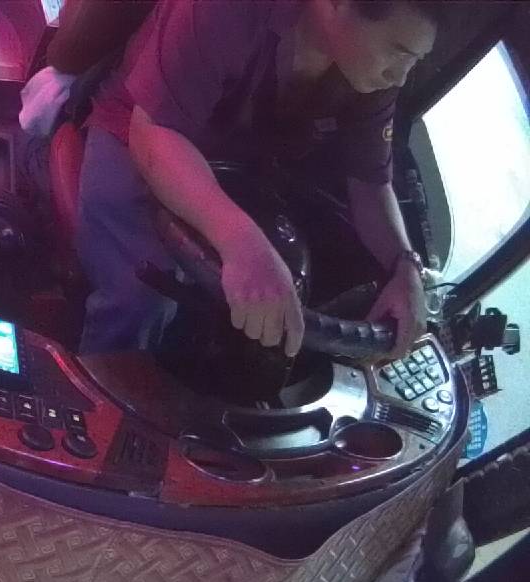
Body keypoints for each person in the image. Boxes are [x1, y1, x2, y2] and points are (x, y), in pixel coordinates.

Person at [59, 0, 441, 358]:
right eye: (399, 51)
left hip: (232, 163)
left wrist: (405, 267)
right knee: (142, 296)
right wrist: (243, 243)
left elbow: (371, 183)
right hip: (138, 128)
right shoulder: (229, 9)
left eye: (415, 60)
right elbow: (155, 136)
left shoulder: (369, 75)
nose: (400, 75)